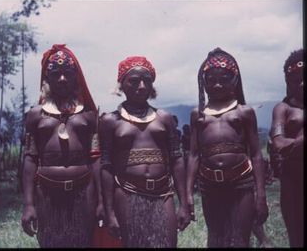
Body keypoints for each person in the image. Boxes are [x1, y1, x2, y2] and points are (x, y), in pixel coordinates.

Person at [100, 56, 190, 248]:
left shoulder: (164, 118)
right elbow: (106, 166)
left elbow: (177, 160)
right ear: (121, 85)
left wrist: (183, 203)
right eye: (133, 81)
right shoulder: (110, 121)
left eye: (147, 81)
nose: (141, 86)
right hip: (126, 193)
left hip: (163, 193)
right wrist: (109, 211)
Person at [21, 44, 104, 247]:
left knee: (83, 242)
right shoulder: (35, 115)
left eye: (67, 73)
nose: (62, 79)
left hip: (84, 192)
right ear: (46, 78)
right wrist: (29, 204)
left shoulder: (88, 115)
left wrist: (102, 202)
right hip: (46, 193)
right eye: (56, 74)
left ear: (76, 77)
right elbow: (30, 159)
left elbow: (96, 159)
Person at [186, 48, 268, 247]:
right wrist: (188, 193)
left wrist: (261, 195)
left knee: (240, 240)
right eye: (211, 79)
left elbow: (256, 154)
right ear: (203, 82)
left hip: (241, 184)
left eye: (223, 79)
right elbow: (194, 155)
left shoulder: (244, 112)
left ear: (234, 81)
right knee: (216, 238)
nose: (217, 84)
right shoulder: (198, 114)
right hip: (209, 185)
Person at [270, 49, 304, 247]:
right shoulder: (283, 109)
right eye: (296, 79)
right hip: (293, 180)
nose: (302, 84)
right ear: (287, 82)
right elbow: (279, 144)